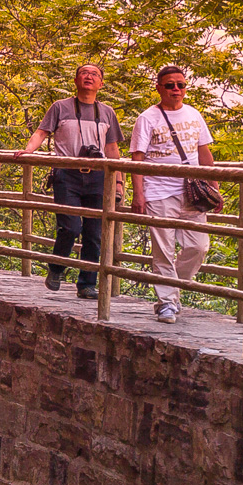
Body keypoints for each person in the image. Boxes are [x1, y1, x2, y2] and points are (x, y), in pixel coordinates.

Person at [19, 63, 122, 298]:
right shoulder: (60, 107)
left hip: (98, 176)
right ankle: (56, 267)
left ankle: (87, 284)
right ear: (76, 80)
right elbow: (41, 132)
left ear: (101, 84)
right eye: (84, 73)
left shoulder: (107, 112)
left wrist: (118, 182)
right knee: (70, 226)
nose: (89, 77)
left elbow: (113, 148)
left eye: (95, 74)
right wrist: (28, 152)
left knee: (95, 233)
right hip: (67, 173)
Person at [130, 65, 217, 324]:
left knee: (198, 246)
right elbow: (137, 158)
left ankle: (171, 291)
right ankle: (167, 302)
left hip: (192, 191)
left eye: (180, 84)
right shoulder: (148, 118)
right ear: (159, 88)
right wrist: (139, 194)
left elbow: (204, 153)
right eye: (170, 85)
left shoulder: (193, 114)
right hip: (159, 192)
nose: (176, 89)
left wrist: (214, 186)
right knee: (163, 250)